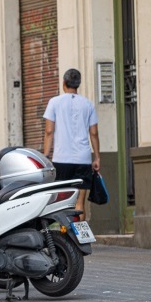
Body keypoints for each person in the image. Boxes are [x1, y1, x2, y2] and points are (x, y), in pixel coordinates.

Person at [43, 68, 100, 219]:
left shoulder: (54, 102)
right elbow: (93, 133)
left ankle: (66, 239)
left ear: (63, 83)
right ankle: (81, 240)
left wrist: (45, 155)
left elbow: (49, 131)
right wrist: (97, 157)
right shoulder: (88, 105)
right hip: (83, 159)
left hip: (61, 160)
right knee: (79, 204)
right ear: (78, 84)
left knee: (63, 202)